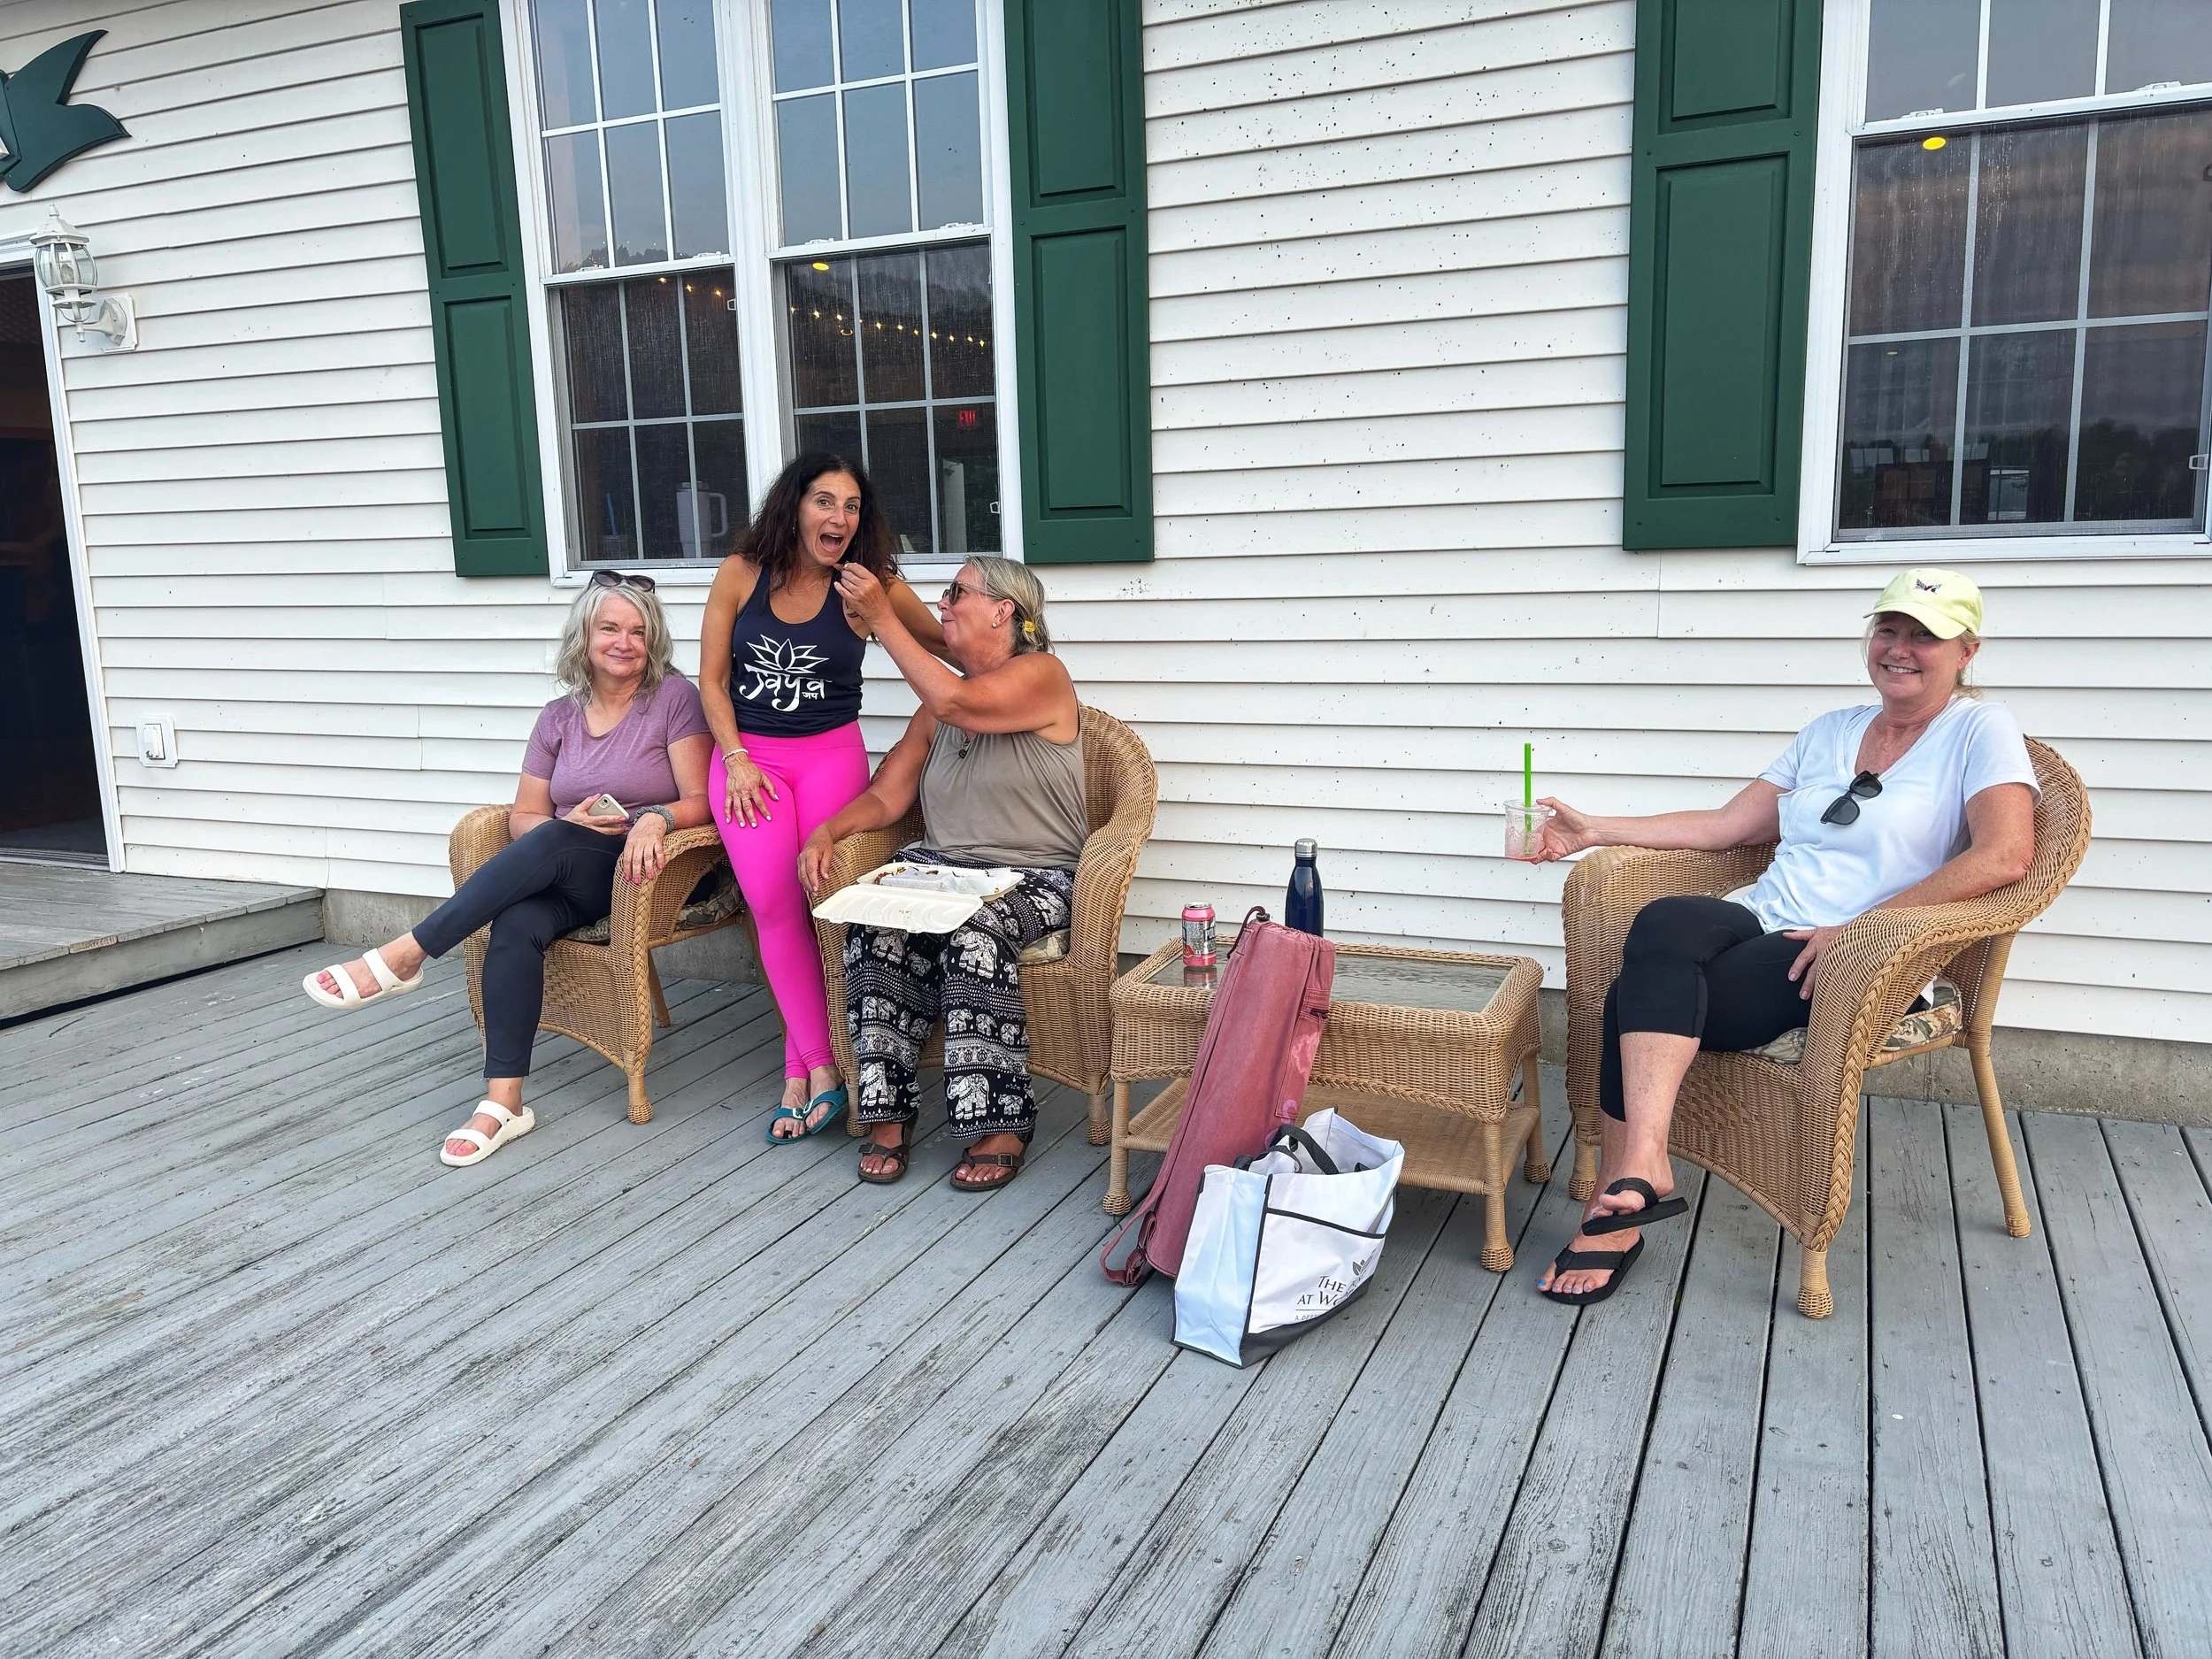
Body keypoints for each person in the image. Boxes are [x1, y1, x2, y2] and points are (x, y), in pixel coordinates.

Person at [1527, 569, 2038, 1303]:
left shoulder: (1979, 730)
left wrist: (1860, 929)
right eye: (1889, 629)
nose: (1900, 647)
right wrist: (1595, 830)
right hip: (1767, 917)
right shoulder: (1830, 730)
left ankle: (1617, 1213)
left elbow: (2006, 855)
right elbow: (1727, 827)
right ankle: (1644, 1162)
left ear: (1967, 650)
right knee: (1663, 921)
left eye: (1925, 634)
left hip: (1860, 956)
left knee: (1629, 998)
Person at [302, 572, 712, 1166]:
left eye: (639, 632)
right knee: (519, 918)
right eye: (610, 628)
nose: (624, 642)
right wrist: (566, 819)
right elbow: (523, 816)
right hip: (569, 870)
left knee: (554, 840)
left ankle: (409, 953)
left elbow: (700, 799)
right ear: (585, 635)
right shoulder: (557, 717)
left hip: (646, 871)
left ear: (655, 643)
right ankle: (504, 1102)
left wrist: (655, 819)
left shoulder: (674, 700)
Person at [801, 556, 1085, 1192]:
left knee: (974, 931)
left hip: (1032, 875)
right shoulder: (936, 709)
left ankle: (1000, 1120)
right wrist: (829, 830)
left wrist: (881, 616)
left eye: (957, 592)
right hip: (943, 870)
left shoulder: (1043, 675)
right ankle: (888, 1109)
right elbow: (887, 798)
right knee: (873, 925)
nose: (944, 603)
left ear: (1003, 611)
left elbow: (958, 699)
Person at [698, 453, 946, 1143]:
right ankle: (822, 1070)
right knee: (774, 903)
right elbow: (712, 682)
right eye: (824, 501)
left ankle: (797, 1072)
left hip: (830, 755)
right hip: (749, 761)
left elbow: (947, 646)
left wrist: (1020, 650)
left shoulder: (871, 586)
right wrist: (738, 758)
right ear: (794, 505)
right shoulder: (740, 574)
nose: (839, 517)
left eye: (852, 506)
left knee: (823, 900)